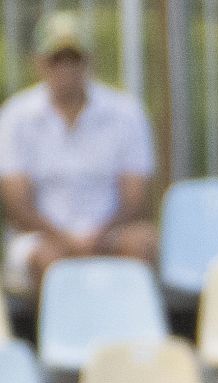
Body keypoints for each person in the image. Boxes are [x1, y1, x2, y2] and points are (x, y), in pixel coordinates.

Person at [0, 11, 156, 296]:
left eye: (73, 58)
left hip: (109, 231)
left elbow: (134, 198)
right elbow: (16, 204)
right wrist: (65, 239)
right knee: (49, 258)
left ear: (89, 60)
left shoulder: (126, 113)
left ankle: (131, 332)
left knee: (143, 243)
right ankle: (57, 337)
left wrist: (96, 236)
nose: (65, 68)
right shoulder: (16, 116)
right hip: (43, 235)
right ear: (39, 63)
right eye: (56, 59)